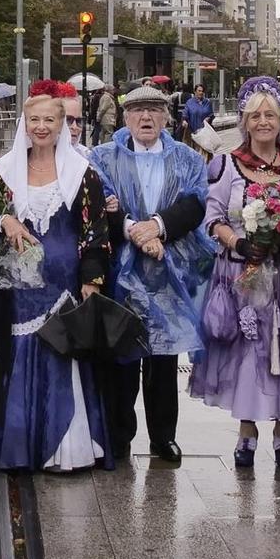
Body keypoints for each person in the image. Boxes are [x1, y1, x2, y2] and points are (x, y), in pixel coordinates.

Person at [0, 82, 114, 472]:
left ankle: (65, 450)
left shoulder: (82, 173)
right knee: (17, 354)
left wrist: (91, 278)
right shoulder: (1, 171)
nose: (41, 126)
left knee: (61, 354)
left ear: (62, 123)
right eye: (34, 119)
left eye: (50, 119)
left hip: (63, 284)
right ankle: (17, 444)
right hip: (17, 289)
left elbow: (95, 230)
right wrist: (5, 219)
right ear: (24, 123)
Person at [194, 77, 280, 469]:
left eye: (271, 114)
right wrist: (240, 244)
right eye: (255, 115)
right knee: (249, 351)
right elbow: (211, 219)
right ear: (244, 121)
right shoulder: (228, 163)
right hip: (241, 274)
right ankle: (247, 430)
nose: (263, 122)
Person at [89, 85, 212, 464]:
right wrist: (132, 231)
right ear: (125, 117)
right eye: (138, 110)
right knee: (121, 358)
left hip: (168, 271)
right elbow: (100, 203)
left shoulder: (188, 159)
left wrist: (158, 227)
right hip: (120, 272)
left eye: (154, 111)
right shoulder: (103, 157)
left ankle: (163, 437)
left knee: (163, 360)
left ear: (166, 118)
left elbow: (194, 204)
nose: (146, 118)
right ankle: (119, 435)